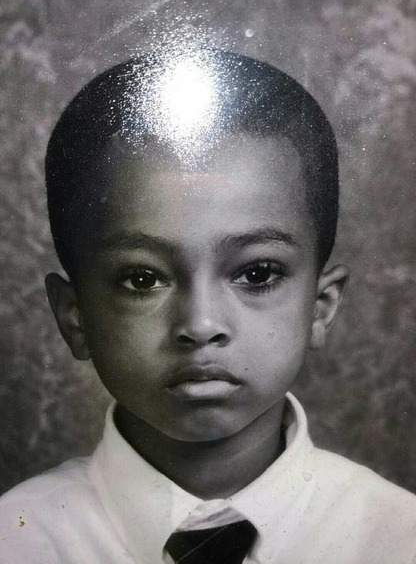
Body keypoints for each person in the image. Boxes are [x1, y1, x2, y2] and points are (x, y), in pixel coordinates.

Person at [0, 49, 415, 564]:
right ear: (74, 316)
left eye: (257, 274)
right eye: (142, 279)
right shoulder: (17, 541)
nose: (200, 325)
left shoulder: (398, 540)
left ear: (321, 306)